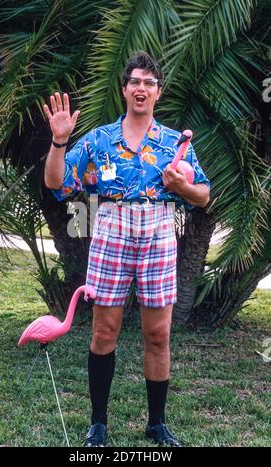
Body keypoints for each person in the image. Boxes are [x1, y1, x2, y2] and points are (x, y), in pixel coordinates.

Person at [43, 51, 210, 447]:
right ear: (124, 89)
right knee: (104, 331)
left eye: (148, 83)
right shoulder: (99, 140)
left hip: (157, 230)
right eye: (135, 81)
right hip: (112, 228)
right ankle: (97, 424)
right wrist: (59, 140)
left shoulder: (174, 143)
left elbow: (202, 195)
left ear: (158, 92)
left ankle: (156, 423)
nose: (141, 88)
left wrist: (181, 187)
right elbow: (56, 183)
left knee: (158, 334)